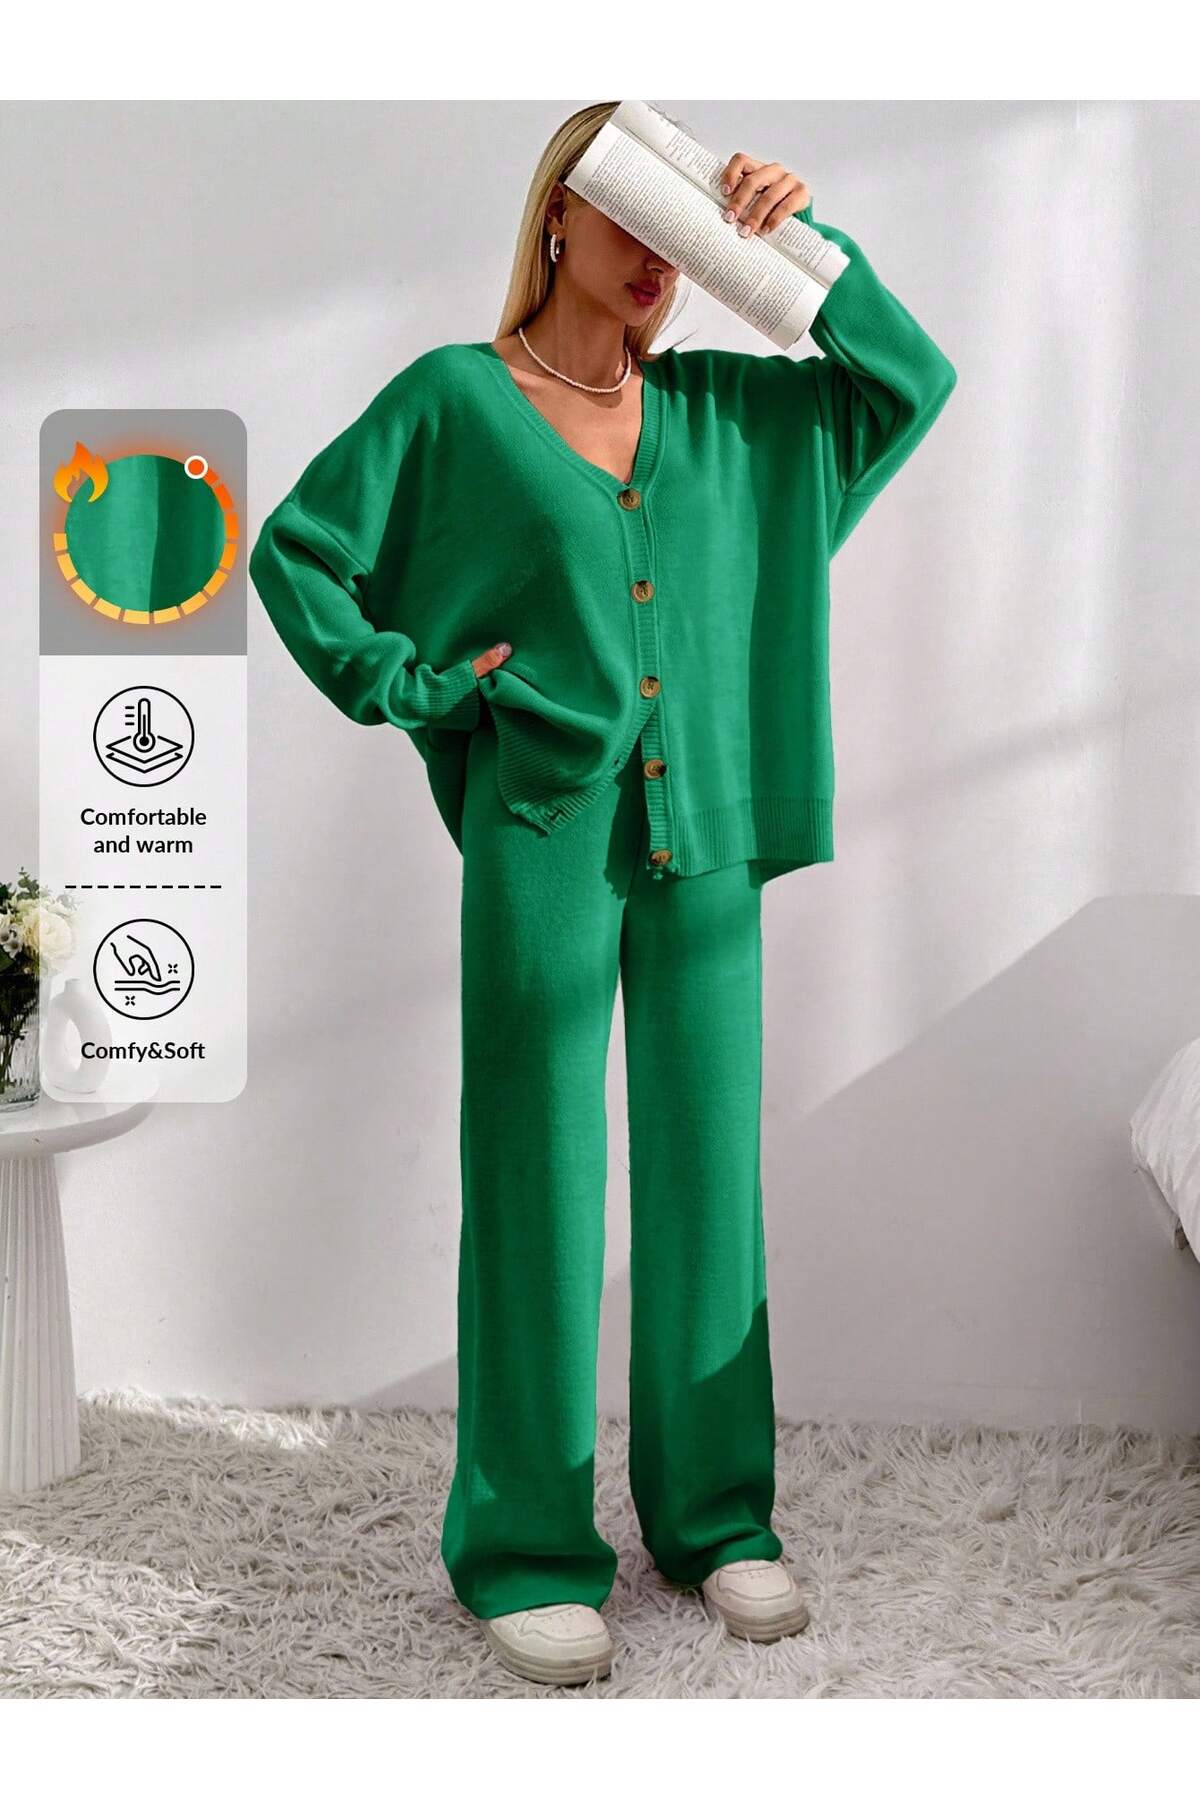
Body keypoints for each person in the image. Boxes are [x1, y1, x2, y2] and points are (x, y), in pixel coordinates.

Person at [249, 101, 956, 1688]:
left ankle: (715, 1520)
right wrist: (420, 685)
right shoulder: (457, 400)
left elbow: (908, 380)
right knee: (538, 1180)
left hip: (707, 831)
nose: (657, 260)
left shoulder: (730, 418)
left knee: (708, 1179)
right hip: (543, 827)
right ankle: (521, 1548)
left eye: (685, 237)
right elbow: (298, 551)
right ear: (559, 217)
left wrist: (800, 248)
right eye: (633, 217)